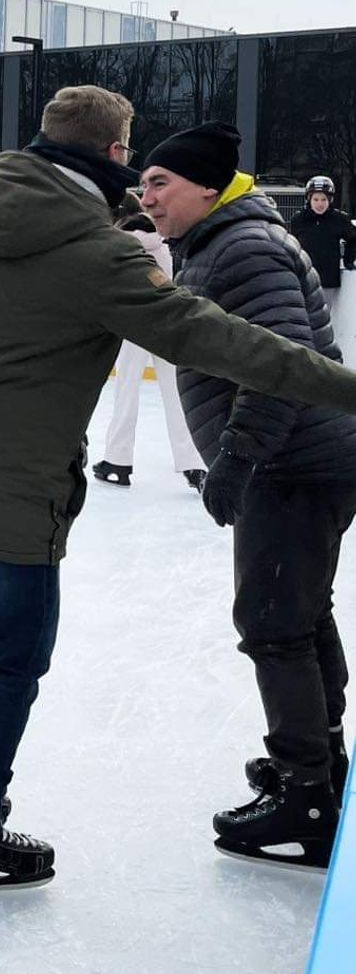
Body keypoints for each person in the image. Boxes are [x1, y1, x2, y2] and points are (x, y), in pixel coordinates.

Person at [0, 86, 356, 893]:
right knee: (8, 658)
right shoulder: (98, 256)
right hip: (19, 488)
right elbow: (229, 342)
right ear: (114, 155)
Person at [140, 122, 356, 871]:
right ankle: (322, 767)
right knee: (298, 615)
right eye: (143, 184)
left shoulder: (244, 247)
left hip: (292, 464)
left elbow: (281, 365)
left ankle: (307, 800)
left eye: (160, 183)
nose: (147, 197)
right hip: (303, 461)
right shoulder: (222, 242)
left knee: (273, 625)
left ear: (207, 187)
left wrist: (236, 458)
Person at [92, 208, 207, 491]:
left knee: (126, 390)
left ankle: (118, 460)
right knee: (174, 393)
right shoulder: (163, 248)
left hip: (133, 325)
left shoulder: (122, 248)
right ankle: (193, 463)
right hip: (167, 324)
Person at [289, 176, 356, 321]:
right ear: (309, 199)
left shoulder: (339, 219)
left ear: (330, 200)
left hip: (328, 280)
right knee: (301, 319)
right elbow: (291, 245)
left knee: (322, 320)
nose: (320, 204)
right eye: (316, 199)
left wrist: (349, 259)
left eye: (324, 200)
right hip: (303, 279)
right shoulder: (298, 220)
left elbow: (353, 238)